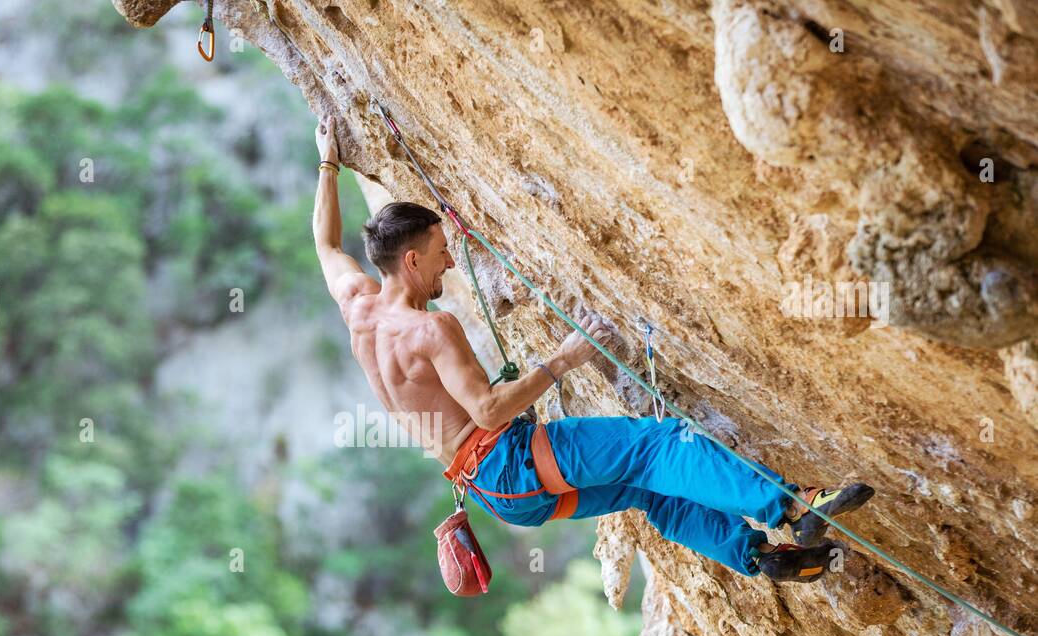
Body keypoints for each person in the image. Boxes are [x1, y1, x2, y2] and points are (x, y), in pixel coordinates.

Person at [311, 116, 873, 582]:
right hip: (512, 461)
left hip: (498, 495)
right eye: (440, 251)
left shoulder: (359, 308)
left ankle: (757, 555)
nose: (450, 263)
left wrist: (327, 163)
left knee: (649, 490)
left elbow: (325, 242)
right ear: (411, 261)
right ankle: (794, 505)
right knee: (659, 447)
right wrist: (565, 358)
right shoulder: (431, 331)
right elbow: (487, 410)